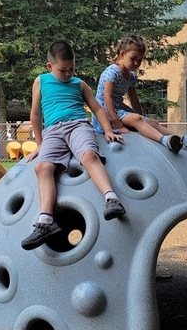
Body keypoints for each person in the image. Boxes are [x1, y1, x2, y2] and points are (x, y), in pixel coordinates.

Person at [21, 41, 126, 251]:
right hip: (52, 131)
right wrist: (40, 144)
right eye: (62, 70)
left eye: (71, 69)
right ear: (50, 66)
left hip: (77, 125)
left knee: (88, 156)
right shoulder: (40, 82)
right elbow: (35, 114)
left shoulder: (79, 84)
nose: (68, 73)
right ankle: (45, 221)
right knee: (42, 168)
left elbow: (97, 108)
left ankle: (112, 199)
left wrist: (107, 129)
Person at [92, 35, 187, 153]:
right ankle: (165, 141)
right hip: (105, 111)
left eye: (140, 60)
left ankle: (185, 140)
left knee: (153, 123)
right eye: (133, 59)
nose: (136, 63)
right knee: (136, 119)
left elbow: (133, 98)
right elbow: (106, 97)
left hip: (118, 108)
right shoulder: (112, 72)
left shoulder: (131, 76)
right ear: (122, 54)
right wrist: (115, 122)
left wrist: (141, 117)